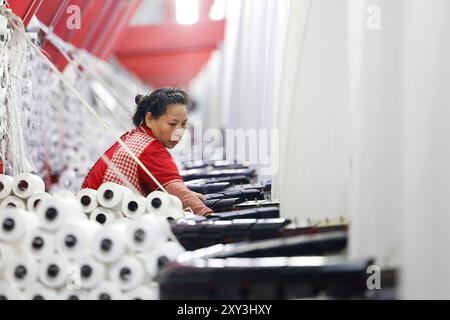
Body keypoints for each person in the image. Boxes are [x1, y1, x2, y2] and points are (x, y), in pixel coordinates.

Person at [81, 88, 213, 216]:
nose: (179, 132)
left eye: (183, 124)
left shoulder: (136, 137)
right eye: (172, 124)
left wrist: (186, 195)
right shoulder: (151, 151)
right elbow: (177, 192)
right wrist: (207, 215)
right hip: (101, 220)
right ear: (149, 119)